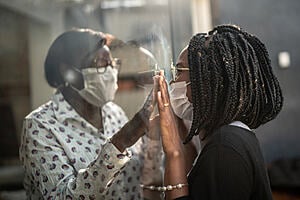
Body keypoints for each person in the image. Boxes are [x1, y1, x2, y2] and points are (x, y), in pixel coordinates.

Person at [19, 28, 162, 199]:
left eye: (112, 64)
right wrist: (123, 139)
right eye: (101, 63)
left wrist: (154, 137)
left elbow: (142, 177)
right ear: (70, 74)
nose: (111, 72)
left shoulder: (114, 113)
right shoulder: (40, 127)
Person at [155, 24, 283, 200]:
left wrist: (173, 152)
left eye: (178, 71)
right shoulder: (230, 136)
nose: (172, 82)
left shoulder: (224, 148)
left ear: (207, 82)